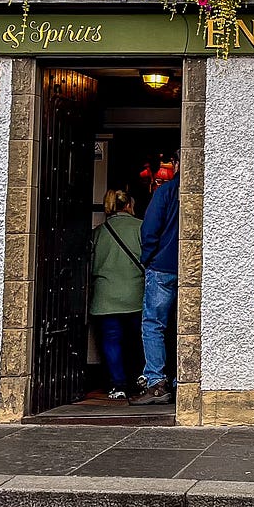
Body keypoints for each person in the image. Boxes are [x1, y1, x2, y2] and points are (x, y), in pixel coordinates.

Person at [133, 153, 180, 406]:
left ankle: (156, 382)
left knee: (153, 324)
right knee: (182, 325)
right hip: (190, 268)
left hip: (162, 267)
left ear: (176, 164)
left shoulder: (165, 192)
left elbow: (149, 229)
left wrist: (148, 258)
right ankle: (180, 379)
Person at [90, 188, 145, 403]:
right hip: (135, 294)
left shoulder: (98, 232)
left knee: (111, 342)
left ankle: (117, 385)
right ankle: (140, 382)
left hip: (105, 297)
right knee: (138, 341)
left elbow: (92, 264)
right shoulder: (140, 228)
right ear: (129, 205)